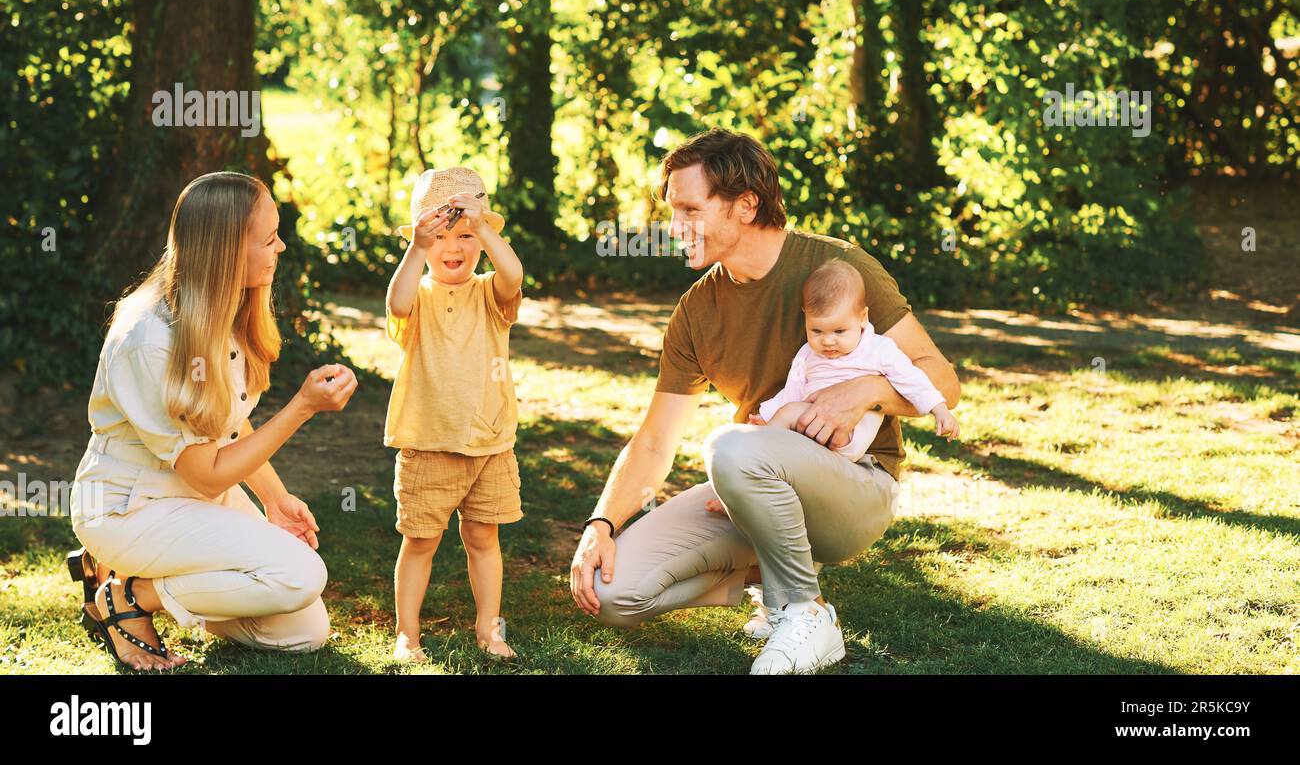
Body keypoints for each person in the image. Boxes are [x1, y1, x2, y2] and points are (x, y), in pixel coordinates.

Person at [569, 129, 961, 674]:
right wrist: (601, 525)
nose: (674, 227)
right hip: (753, 480)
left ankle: (804, 612)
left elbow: (943, 378)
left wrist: (869, 390)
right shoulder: (697, 310)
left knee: (731, 446)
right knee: (613, 593)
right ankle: (768, 576)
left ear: (745, 205)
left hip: (859, 487)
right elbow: (656, 439)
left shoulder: (839, 269)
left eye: (689, 209)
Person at [68, 171, 358, 671]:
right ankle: (130, 597)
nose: (281, 247)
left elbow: (228, 426)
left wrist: (276, 499)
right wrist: (302, 408)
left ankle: (136, 585)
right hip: (130, 509)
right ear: (226, 249)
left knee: (302, 632)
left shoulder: (224, 307)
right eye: (268, 239)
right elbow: (205, 472)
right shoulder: (149, 336)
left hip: (196, 497)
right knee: (300, 576)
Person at [384, 167, 525, 662]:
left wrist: (483, 224)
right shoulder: (417, 296)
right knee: (420, 542)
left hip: (490, 444)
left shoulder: (490, 294)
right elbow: (396, 302)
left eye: (466, 234)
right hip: (427, 444)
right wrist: (416, 248)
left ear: (483, 242)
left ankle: (490, 629)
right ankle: (408, 635)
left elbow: (514, 277)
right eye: (441, 235)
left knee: (484, 537)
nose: (455, 244)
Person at [753, 258, 960, 457]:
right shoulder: (807, 353)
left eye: (839, 331)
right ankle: (762, 458)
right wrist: (767, 415)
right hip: (810, 425)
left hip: (851, 433)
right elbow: (793, 390)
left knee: (787, 416)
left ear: (862, 318)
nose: (828, 341)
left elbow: (911, 379)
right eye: (816, 331)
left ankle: (757, 455)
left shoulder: (878, 349)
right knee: (786, 419)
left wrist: (939, 409)